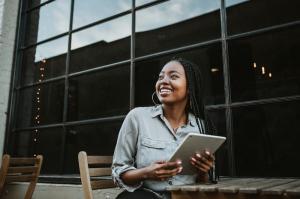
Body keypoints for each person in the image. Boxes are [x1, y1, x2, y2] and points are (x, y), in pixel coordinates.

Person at [112, 57, 216, 199]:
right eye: (161, 77)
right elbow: (119, 172)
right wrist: (146, 173)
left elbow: (203, 184)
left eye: (173, 76)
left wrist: (204, 172)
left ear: (190, 87)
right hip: (148, 196)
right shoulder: (138, 117)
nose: (163, 81)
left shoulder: (201, 127)